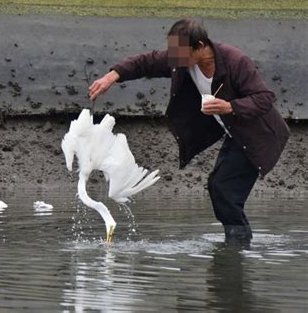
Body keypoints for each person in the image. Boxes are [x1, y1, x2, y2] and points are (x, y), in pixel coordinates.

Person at [88, 18, 290, 245]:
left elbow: (264, 99)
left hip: (259, 136)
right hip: (236, 133)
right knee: (217, 187)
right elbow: (146, 62)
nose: (175, 60)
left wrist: (230, 106)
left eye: (180, 53)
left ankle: (237, 246)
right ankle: (236, 241)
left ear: (201, 46)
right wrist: (111, 76)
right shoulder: (182, 60)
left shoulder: (235, 61)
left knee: (224, 190)